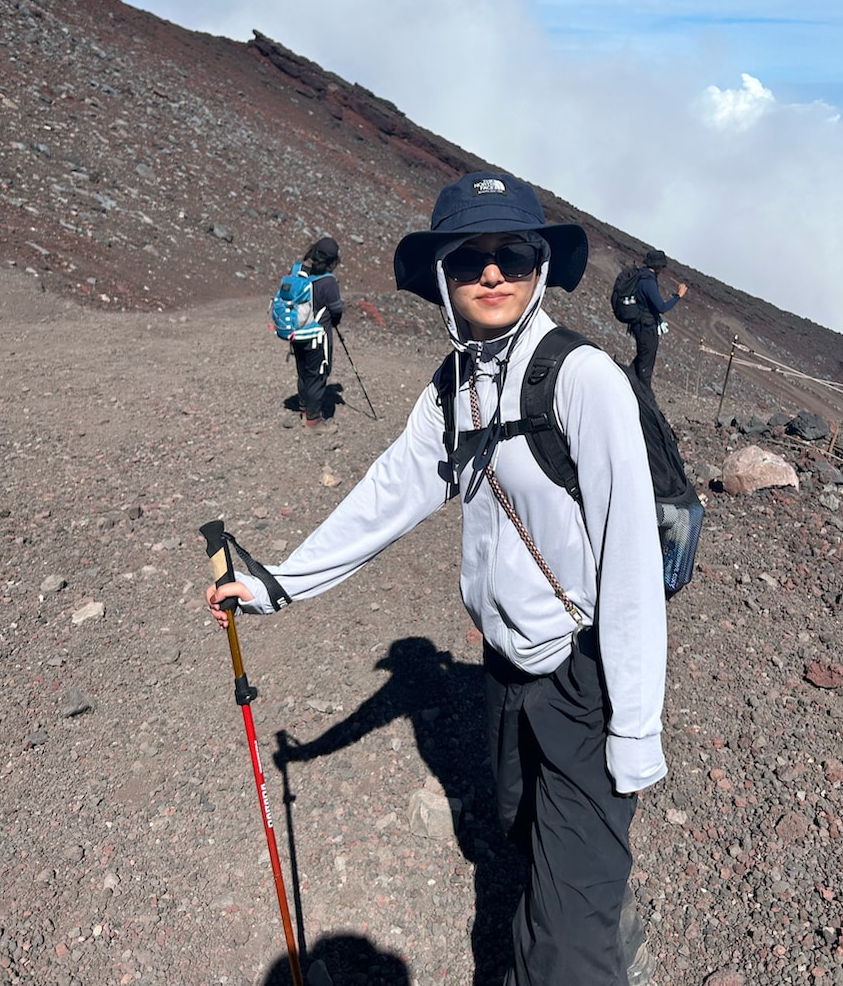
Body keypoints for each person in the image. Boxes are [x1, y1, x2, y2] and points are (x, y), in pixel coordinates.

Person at [208, 172, 667, 985]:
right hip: (503, 670)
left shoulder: (583, 378)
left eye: (514, 255)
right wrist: (279, 584)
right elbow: (387, 494)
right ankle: (591, 903)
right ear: (446, 278)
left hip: (584, 679)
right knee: (518, 833)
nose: (493, 273)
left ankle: (591, 925)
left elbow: (630, 562)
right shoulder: (455, 385)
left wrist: (635, 732)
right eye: (472, 260)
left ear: (539, 267)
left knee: (566, 952)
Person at [292, 236, 343, 428]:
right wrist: (334, 322)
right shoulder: (328, 281)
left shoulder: (297, 270)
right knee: (318, 375)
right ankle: (313, 420)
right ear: (332, 260)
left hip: (297, 333)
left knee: (303, 372)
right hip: (317, 336)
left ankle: (304, 408)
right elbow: (336, 310)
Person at [630, 248, 687, 387]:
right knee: (646, 364)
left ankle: (629, 381)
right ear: (657, 265)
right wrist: (678, 295)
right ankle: (643, 395)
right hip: (646, 327)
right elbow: (661, 307)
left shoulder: (641, 276)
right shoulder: (648, 282)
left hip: (639, 324)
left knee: (642, 358)